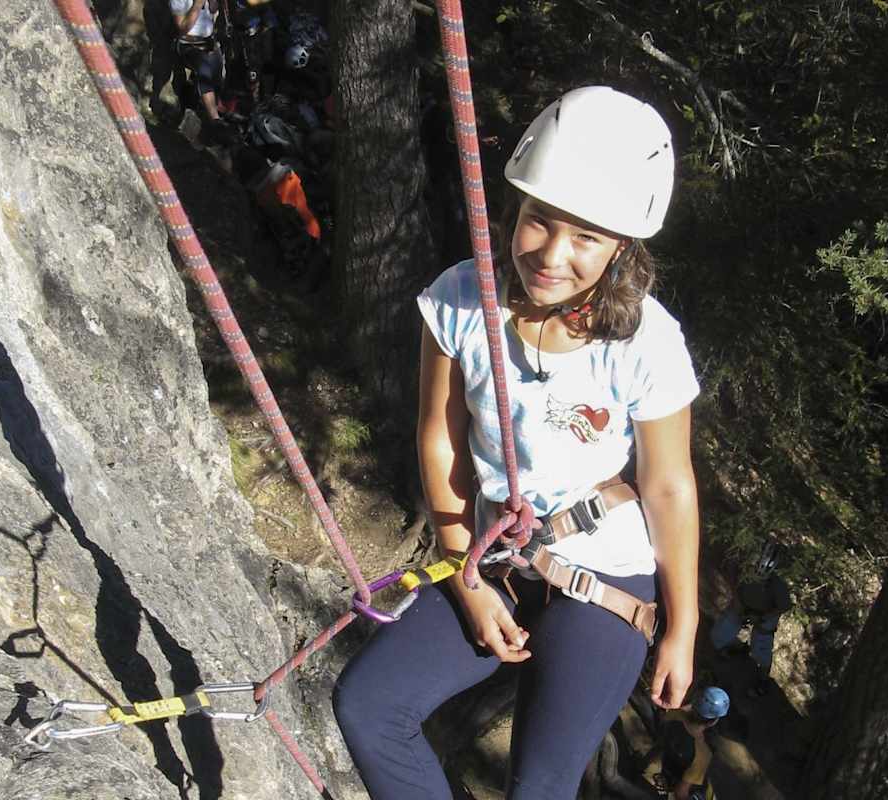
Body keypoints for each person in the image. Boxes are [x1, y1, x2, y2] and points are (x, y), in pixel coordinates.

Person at [331, 86, 702, 798]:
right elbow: (440, 438)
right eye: (539, 222)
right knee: (371, 706)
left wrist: (682, 627)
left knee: (539, 787)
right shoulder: (461, 299)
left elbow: (667, 486)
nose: (551, 255)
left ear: (621, 247)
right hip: (494, 555)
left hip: (604, 575)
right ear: (515, 211)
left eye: (586, 237)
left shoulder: (644, 342)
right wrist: (465, 578)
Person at [709, 540, 793, 697]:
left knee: (761, 646)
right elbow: (733, 576)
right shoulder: (744, 566)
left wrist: (762, 617)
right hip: (743, 602)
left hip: (766, 613)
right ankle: (728, 649)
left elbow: (784, 606)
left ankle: (762, 679)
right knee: (720, 632)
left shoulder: (778, 584)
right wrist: (738, 601)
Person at [648, 686, 729, 800]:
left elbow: (661, 742)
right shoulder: (702, 754)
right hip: (680, 783)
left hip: (666, 766)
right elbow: (680, 792)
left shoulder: (673, 715)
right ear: (712, 722)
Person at [170, 0, 225, 126]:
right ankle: (215, 120)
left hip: (208, 42)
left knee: (217, 70)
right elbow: (183, 29)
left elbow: (212, 9)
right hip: (188, 44)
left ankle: (207, 111)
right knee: (204, 70)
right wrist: (197, 5)